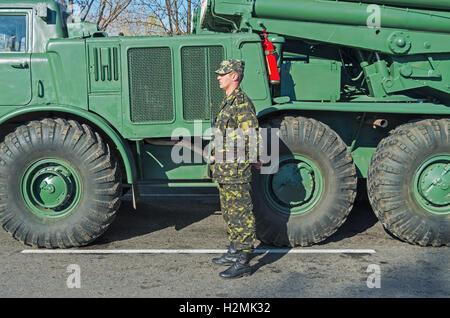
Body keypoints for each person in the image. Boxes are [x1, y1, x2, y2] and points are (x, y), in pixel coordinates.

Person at [209, 59, 259, 279]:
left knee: (242, 214)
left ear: (234, 76)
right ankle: (234, 249)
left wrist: (252, 158)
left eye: (223, 74)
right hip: (225, 168)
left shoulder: (241, 102)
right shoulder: (227, 102)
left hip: (236, 169)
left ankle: (244, 260)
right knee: (229, 211)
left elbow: (252, 135)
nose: (219, 77)